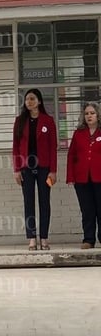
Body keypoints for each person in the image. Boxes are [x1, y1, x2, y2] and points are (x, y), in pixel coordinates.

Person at [12, 88, 57, 250]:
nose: (29, 102)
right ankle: (31, 238)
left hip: (45, 168)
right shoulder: (20, 121)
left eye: (32, 99)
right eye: (26, 100)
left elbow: (53, 147)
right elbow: (16, 147)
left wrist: (53, 171)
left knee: (45, 202)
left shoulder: (48, 121)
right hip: (26, 168)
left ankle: (44, 237)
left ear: (39, 101)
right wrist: (16, 169)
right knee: (28, 202)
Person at [66, 101, 101, 249]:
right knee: (87, 210)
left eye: (92, 113)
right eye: (86, 113)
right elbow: (71, 155)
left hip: (99, 177)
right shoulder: (78, 133)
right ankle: (88, 239)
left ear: (98, 115)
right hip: (82, 178)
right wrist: (70, 177)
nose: (89, 116)